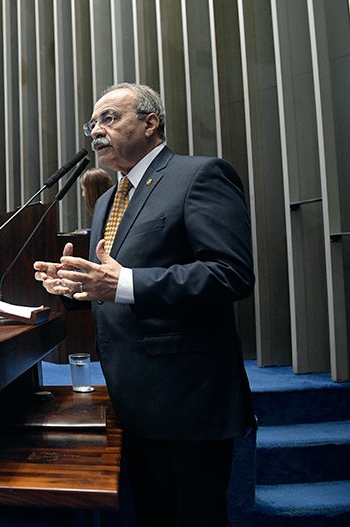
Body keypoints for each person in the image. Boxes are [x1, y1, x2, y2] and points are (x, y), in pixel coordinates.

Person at [33, 83, 255, 526]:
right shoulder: (106, 201)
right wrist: (74, 288)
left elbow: (231, 273)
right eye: (92, 124)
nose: (96, 130)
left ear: (151, 122)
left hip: (186, 398)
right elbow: (112, 287)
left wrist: (125, 282)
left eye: (109, 118)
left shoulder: (199, 175)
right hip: (130, 397)